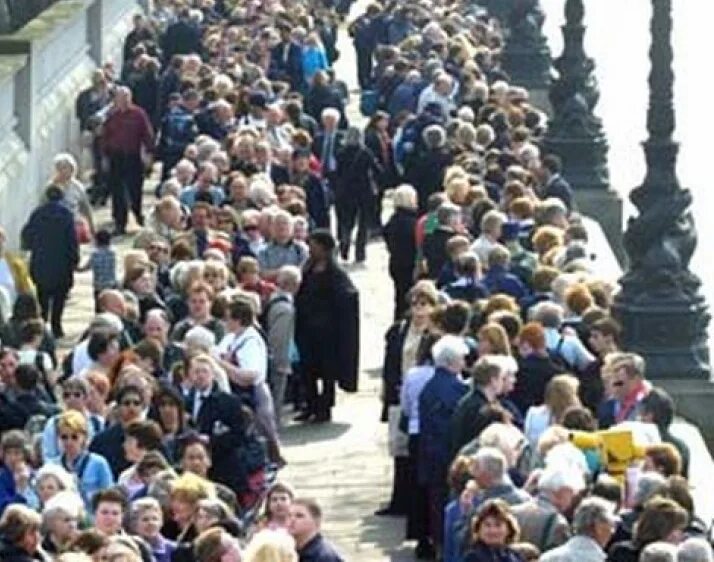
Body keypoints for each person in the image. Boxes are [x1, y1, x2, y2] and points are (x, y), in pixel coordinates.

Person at [294, 230, 359, 423]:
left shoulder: (335, 273)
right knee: (308, 369)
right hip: (307, 328)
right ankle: (310, 404)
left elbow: (347, 295)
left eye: (314, 246)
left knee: (328, 370)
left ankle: (325, 406)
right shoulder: (308, 268)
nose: (311, 250)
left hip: (328, 332)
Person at [20, 185, 79, 338]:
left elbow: (27, 235)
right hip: (62, 263)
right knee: (60, 297)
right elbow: (72, 240)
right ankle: (57, 325)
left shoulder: (37, 214)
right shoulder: (66, 215)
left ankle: (43, 324)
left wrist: (31, 247)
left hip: (41, 262)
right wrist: (74, 260)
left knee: (42, 296)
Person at [100, 86, 154, 236]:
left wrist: (149, 153)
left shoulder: (138, 114)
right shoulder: (111, 115)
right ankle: (120, 222)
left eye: (126, 97)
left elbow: (147, 134)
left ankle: (137, 215)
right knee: (117, 190)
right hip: (116, 156)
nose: (123, 101)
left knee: (135, 188)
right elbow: (105, 136)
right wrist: (104, 156)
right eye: (120, 98)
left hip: (133, 155)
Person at [333, 126, 382, 263]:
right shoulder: (366, 153)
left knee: (347, 222)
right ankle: (360, 253)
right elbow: (377, 170)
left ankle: (344, 245)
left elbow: (336, 173)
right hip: (364, 191)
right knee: (363, 224)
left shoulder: (340, 153)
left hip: (346, 192)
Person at [539, 496, 618, 562]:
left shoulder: (548, 557)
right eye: (612, 526)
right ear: (598, 527)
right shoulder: (600, 560)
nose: (612, 532)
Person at [383, 184, 419, 320]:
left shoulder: (392, 220)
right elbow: (426, 234)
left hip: (396, 262)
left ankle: (397, 321)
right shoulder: (413, 222)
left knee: (399, 297)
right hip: (410, 264)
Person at [77, 229, 117, 312]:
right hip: (112, 284)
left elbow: (86, 267)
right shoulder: (113, 252)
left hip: (99, 286)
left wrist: (76, 268)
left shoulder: (95, 254)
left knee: (99, 308)